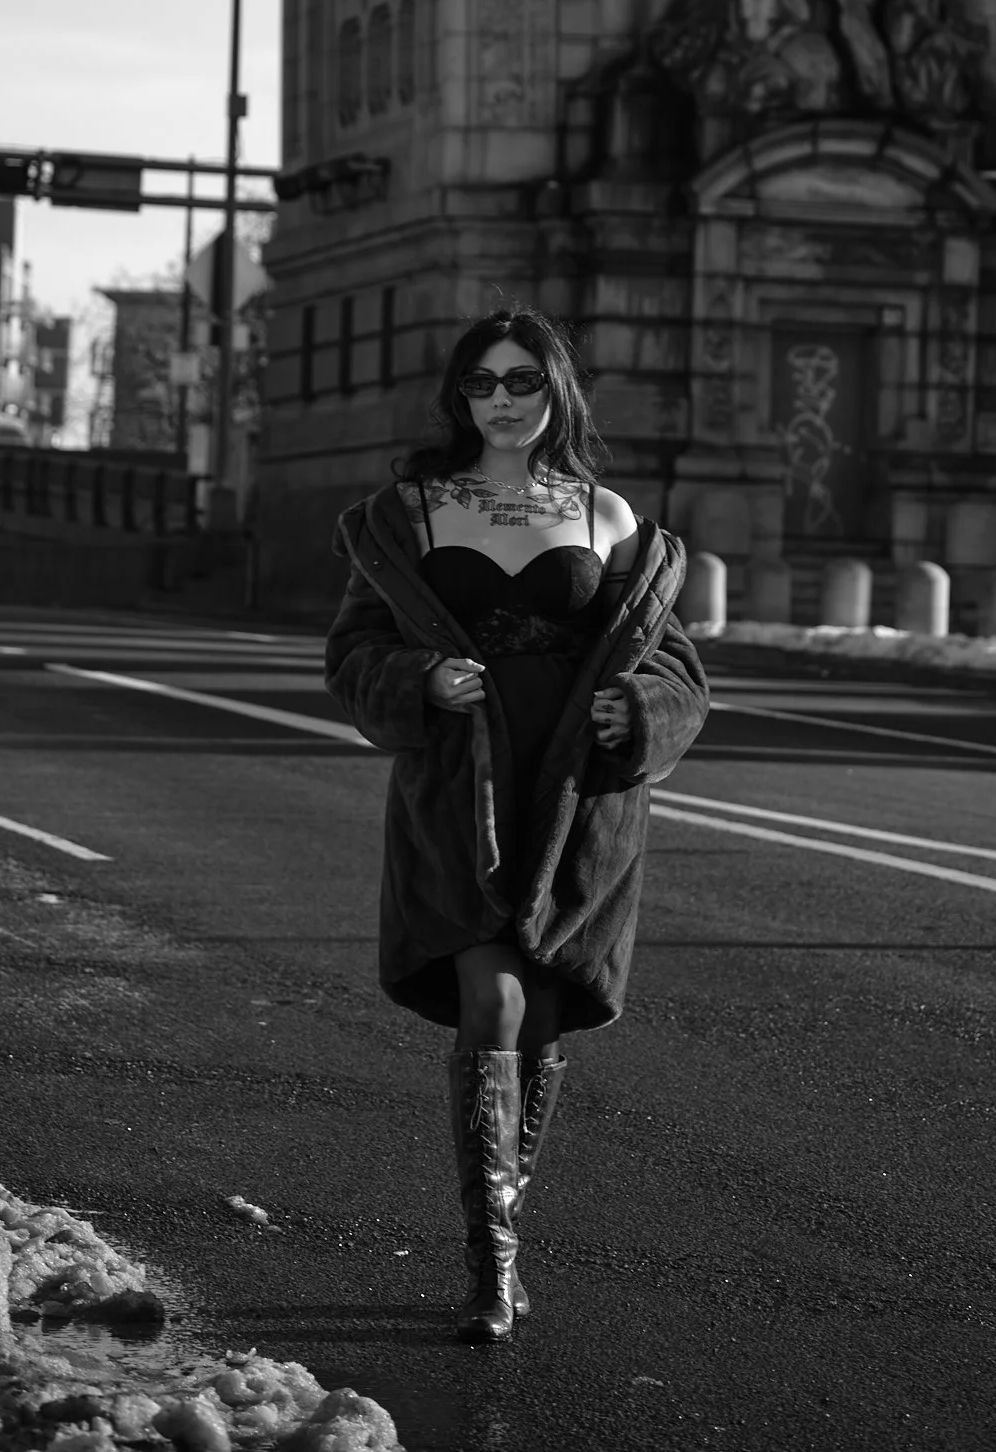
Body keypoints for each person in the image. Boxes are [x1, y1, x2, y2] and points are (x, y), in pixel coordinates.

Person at [325, 306, 710, 1345]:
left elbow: (674, 667)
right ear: (461, 395)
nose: (501, 400)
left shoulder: (609, 516)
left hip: (579, 804)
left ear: (556, 393)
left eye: (523, 382)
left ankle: (507, 1237)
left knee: (539, 1021)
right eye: (483, 382)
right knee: (490, 1000)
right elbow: (352, 656)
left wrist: (641, 712)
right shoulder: (408, 513)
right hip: (460, 795)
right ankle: (489, 1268)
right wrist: (417, 679)